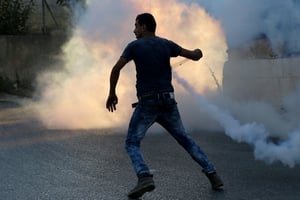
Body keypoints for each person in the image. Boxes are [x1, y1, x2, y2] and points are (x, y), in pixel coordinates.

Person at [106, 13, 224, 199]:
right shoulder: (166, 44)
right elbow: (194, 55)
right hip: (168, 101)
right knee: (185, 139)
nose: (134, 29)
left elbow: (115, 69)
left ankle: (144, 176)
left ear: (144, 27)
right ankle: (213, 174)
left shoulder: (134, 46)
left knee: (132, 142)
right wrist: (199, 52)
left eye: (136, 25)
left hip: (148, 102)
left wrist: (112, 93)